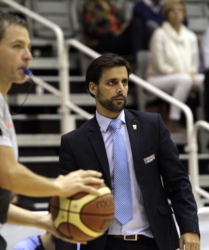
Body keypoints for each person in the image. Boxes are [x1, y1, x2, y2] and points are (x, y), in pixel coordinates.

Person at [0, 12, 104, 250]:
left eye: (29, 46)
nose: (29, 56)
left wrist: (44, 221)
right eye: (17, 46)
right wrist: (60, 186)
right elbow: (8, 175)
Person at [55, 54, 200, 250]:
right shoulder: (74, 142)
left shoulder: (152, 126)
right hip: (105, 244)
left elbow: (178, 182)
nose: (120, 89)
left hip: (154, 241)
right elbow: (67, 205)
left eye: (124, 82)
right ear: (93, 88)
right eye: (112, 82)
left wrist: (189, 228)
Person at [146, 0, 204, 132]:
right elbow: (160, 65)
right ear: (166, 14)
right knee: (184, 80)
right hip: (157, 79)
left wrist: (192, 72)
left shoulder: (190, 36)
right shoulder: (159, 34)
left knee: (205, 80)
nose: (177, 14)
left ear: (184, 14)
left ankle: (205, 119)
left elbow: (195, 62)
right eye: (173, 10)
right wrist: (178, 73)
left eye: (180, 10)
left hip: (184, 77)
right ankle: (173, 120)